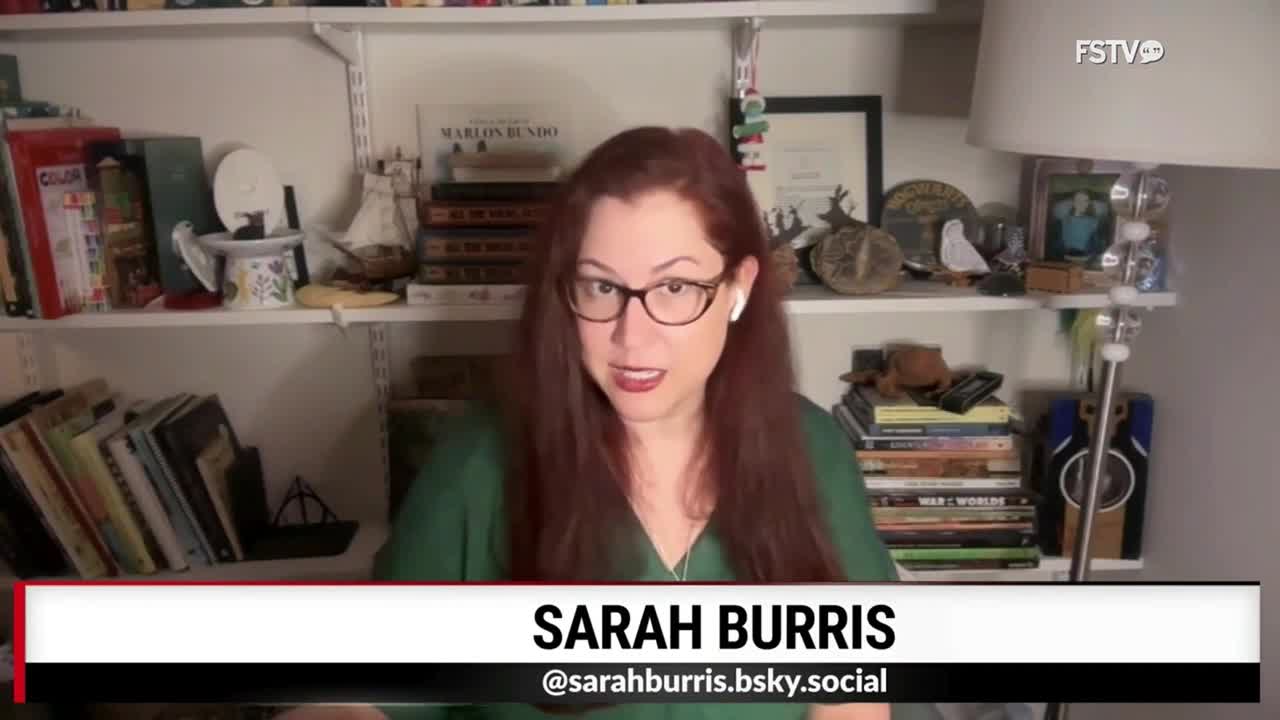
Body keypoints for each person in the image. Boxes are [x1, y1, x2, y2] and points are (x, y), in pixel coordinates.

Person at [282, 127, 900, 720]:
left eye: (676, 287)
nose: (632, 337)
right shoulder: (477, 467)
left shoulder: (814, 452)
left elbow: (849, 695)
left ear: (738, 288)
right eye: (601, 287)